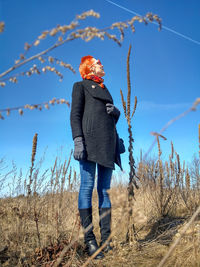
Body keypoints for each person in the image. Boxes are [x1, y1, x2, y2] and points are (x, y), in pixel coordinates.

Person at [70, 55, 124, 259]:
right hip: (89, 143)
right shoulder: (80, 86)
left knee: (105, 192)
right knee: (86, 187)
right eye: (98, 63)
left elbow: (108, 121)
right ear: (90, 67)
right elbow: (75, 115)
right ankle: (90, 241)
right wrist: (78, 140)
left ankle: (107, 241)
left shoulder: (104, 89)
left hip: (108, 145)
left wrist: (116, 113)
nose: (102, 64)